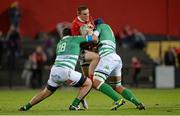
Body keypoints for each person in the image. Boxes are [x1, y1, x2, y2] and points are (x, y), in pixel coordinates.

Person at [19, 28, 97, 111]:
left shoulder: (60, 43)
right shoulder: (75, 39)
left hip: (54, 71)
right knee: (88, 83)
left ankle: (26, 106)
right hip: (65, 71)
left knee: (45, 92)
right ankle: (74, 104)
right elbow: (94, 39)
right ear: (72, 34)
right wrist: (90, 31)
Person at [92, 18, 145, 110]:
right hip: (116, 58)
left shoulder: (101, 26)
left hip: (108, 58)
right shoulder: (109, 31)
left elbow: (94, 38)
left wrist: (84, 37)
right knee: (117, 86)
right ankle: (138, 103)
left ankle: (118, 100)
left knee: (96, 82)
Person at [71, 5, 99, 109]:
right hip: (81, 51)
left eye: (88, 13)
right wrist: (91, 36)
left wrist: (92, 35)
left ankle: (80, 99)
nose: (87, 16)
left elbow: (93, 31)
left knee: (86, 82)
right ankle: (93, 79)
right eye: (84, 14)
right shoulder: (75, 24)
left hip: (89, 49)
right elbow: (78, 40)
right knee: (96, 57)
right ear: (78, 14)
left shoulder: (89, 18)